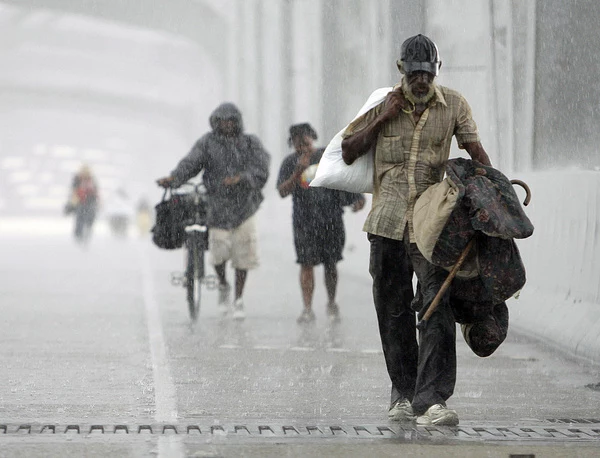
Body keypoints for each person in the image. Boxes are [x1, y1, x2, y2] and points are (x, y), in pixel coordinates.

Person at [340, 34, 492, 426]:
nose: (421, 81)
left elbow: (476, 153)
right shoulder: (382, 103)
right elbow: (348, 149)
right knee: (392, 313)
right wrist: (383, 117)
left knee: (436, 307)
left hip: (431, 225)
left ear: (437, 71)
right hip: (386, 224)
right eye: (414, 73)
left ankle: (432, 399)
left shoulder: (454, 104)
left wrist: (494, 194)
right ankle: (403, 394)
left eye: (427, 73)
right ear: (401, 70)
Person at [157, 102, 270, 320]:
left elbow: (261, 169)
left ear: (237, 122)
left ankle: (238, 299)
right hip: (217, 205)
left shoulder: (250, 143)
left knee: (243, 254)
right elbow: (191, 163)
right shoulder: (207, 143)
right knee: (218, 250)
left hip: (245, 205)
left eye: (230, 121)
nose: (227, 125)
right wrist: (174, 179)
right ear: (216, 123)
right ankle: (223, 284)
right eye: (222, 121)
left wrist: (241, 179)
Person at [277, 123, 365, 324]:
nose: (302, 145)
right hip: (303, 221)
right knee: (306, 264)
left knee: (331, 264)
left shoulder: (328, 156)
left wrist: (356, 197)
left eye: (305, 140)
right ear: (292, 144)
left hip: (331, 219)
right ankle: (307, 308)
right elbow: (282, 191)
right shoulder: (290, 162)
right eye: (297, 142)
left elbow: (344, 178)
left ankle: (331, 302)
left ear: (312, 138)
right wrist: (297, 171)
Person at [65, 164, 99, 245]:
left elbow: (96, 192)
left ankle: (87, 232)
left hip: (90, 202)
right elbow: (74, 191)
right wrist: (72, 203)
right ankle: (78, 235)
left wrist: (96, 201)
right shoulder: (78, 179)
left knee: (90, 218)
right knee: (80, 219)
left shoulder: (91, 180)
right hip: (81, 202)